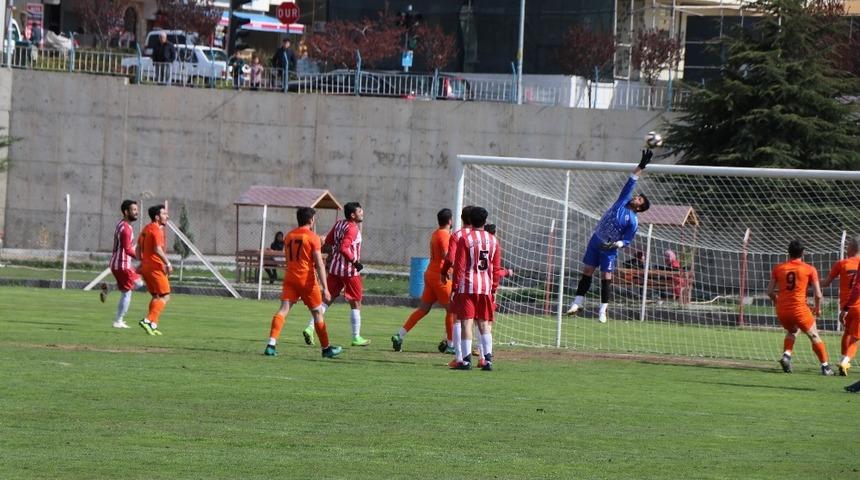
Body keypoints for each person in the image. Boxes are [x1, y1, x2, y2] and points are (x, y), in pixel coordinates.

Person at [566, 149, 653, 323]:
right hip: (596, 240)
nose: (636, 198)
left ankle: (603, 310)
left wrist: (615, 245)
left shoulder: (633, 221)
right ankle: (577, 303)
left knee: (606, 276)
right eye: (637, 197)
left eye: (639, 200)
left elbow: (627, 240)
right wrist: (642, 165)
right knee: (587, 271)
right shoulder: (622, 201)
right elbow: (632, 180)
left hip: (609, 248)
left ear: (639, 208)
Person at [264, 207, 342, 358]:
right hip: (307, 280)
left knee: (283, 310)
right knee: (318, 313)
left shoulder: (288, 236)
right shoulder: (312, 237)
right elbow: (319, 264)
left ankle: (271, 345)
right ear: (310, 220)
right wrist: (325, 288)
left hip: (290, 278)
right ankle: (326, 349)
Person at [302, 202, 370, 347]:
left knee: (326, 301)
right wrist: (355, 262)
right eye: (359, 211)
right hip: (349, 271)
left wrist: (331, 253)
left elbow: (328, 241)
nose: (362, 212)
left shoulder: (339, 224)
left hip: (334, 269)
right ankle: (356, 337)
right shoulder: (353, 229)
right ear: (353, 215)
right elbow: (345, 248)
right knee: (356, 302)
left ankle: (309, 327)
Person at [767, 239, 834, 375]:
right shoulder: (809, 269)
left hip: (783, 310)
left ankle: (786, 355)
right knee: (814, 335)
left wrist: (777, 301)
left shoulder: (779, 268)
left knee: (793, 330)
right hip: (799, 309)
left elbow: (769, 292)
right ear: (803, 253)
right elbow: (818, 294)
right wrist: (817, 308)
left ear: (788, 252)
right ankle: (826, 367)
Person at [391, 208, 454, 352]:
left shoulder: (435, 233)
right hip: (440, 276)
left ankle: (399, 334)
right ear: (450, 221)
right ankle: (451, 345)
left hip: (430, 273)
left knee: (423, 309)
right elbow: (446, 255)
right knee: (452, 310)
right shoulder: (444, 235)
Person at [451, 207, 503, 371]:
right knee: (484, 323)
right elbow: (496, 268)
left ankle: (466, 361)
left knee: (466, 322)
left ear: (470, 221)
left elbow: (459, 266)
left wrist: (454, 287)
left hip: (467, 285)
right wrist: (494, 288)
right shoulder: (493, 240)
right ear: (485, 221)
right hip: (485, 286)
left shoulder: (465, 239)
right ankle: (487, 360)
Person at [102, 200, 145, 328]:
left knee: (138, 283)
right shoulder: (126, 229)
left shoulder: (121, 224)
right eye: (134, 210)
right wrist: (142, 258)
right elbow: (127, 249)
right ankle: (118, 321)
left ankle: (110, 288)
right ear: (126, 212)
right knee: (128, 292)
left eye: (137, 210)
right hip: (123, 265)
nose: (136, 212)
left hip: (117, 264)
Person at [823, 235, 860, 375]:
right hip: (858, 306)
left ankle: (842, 359)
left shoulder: (842, 263)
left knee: (847, 333)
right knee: (855, 338)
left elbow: (826, 283)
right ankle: (845, 361)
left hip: (845, 306)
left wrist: (810, 282)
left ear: (851, 247)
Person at [440, 206, 474, 359]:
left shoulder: (457, 235)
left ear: (461, 218)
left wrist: (444, 272)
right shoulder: (483, 236)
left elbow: (450, 258)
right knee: (481, 320)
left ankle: (459, 357)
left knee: (458, 318)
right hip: (481, 284)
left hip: (463, 282)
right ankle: (484, 356)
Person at [137, 204, 173, 335]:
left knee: (156, 296)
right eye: (164, 214)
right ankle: (147, 320)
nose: (167, 216)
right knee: (165, 296)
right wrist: (168, 264)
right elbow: (157, 249)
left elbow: (137, 248)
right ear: (157, 217)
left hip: (146, 268)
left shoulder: (146, 229)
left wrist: (142, 262)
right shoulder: (157, 229)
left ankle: (153, 325)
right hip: (155, 268)